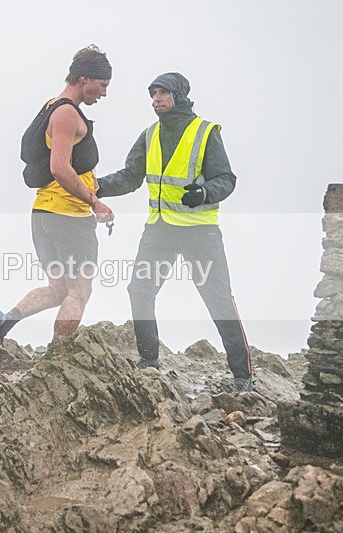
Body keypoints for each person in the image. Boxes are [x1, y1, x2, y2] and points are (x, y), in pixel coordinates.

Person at [96, 72, 253, 393]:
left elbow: (227, 179)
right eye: (153, 94)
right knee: (139, 290)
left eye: (163, 93)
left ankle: (242, 376)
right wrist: (94, 186)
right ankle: (148, 360)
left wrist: (205, 193)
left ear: (179, 96)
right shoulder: (150, 134)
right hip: (160, 232)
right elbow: (130, 177)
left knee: (218, 300)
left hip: (200, 235)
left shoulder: (205, 132)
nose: (156, 99)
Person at [0, 45, 114, 366]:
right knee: (79, 291)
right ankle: (58, 361)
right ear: (84, 78)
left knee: (57, 289)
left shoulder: (52, 105)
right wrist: (95, 202)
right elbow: (60, 168)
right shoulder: (66, 112)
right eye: (103, 85)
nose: (104, 93)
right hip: (68, 216)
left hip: (45, 215)